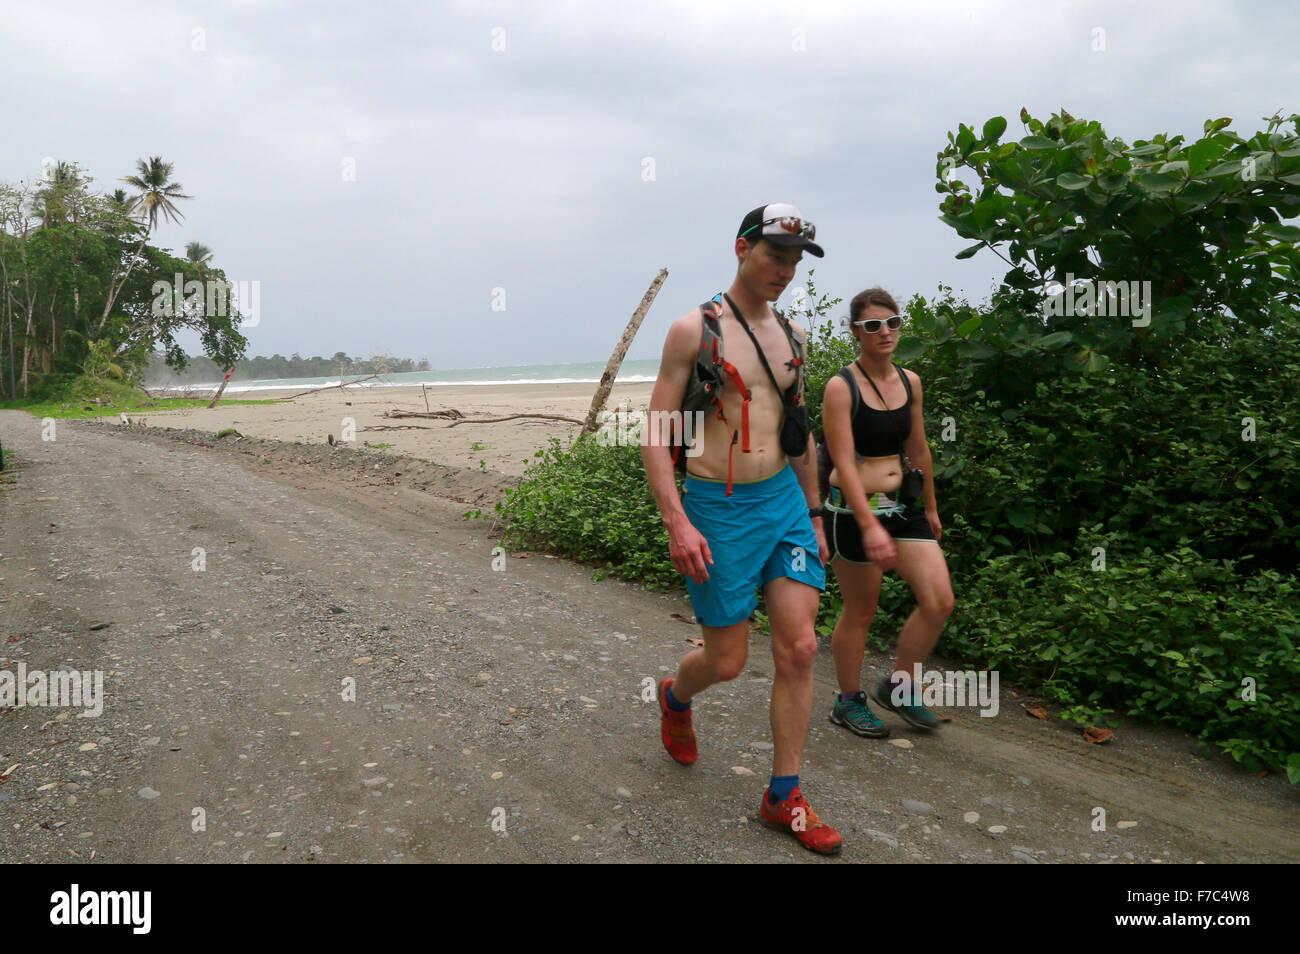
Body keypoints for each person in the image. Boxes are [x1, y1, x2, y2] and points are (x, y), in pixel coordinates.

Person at [640, 203, 842, 855]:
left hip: (783, 501)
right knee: (727, 661)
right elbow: (657, 431)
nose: (783, 269)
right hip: (716, 509)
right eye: (773, 254)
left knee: (800, 648)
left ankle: (783, 796)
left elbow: (798, 430)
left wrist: (814, 514)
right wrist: (677, 521)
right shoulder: (692, 332)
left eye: (793, 259)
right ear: (741, 248)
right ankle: (677, 695)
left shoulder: (795, 336)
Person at [820, 287, 954, 738]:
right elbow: (841, 461)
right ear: (855, 331)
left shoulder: (910, 380)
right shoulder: (842, 387)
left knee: (939, 600)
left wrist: (931, 506)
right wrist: (867, 525)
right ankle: (847, 701)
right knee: (861, 611)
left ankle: (899, 687)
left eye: (892, 322)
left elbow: (918, 447)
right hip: (853, 511)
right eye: (873, 325)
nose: (885, 332)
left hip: (903, 507)